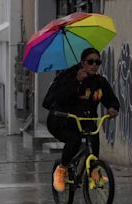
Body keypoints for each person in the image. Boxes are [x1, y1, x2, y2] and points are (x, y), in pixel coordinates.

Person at [46, 48, 120, 192]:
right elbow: (58, 99)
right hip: (62, 121)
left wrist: (112, 108)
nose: (94, 65)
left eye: (97, 62)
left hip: (85, 120)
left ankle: (94, 173)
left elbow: (111, 99)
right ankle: (61, 170)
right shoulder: (68, 76)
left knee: (94, 138)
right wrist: (76, 81)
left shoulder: (99, 82)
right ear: (82, 63)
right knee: (74, 140)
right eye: (90, 62)